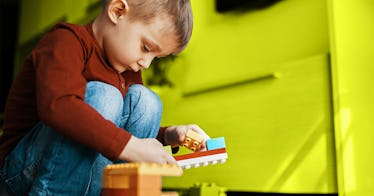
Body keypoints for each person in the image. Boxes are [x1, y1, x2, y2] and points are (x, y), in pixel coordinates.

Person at [0, 0, 210, 195]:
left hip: (89, 177)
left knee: (146, 101)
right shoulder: (65, 40)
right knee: (105, 95)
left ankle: (120, 190)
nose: (146, 64)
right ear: (117, 11)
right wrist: (132, 147)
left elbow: (117, 133)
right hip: (22, 174)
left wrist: (169, 135)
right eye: (146, 48)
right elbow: (59, 106)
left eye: (156, 57)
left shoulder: (127, 69)